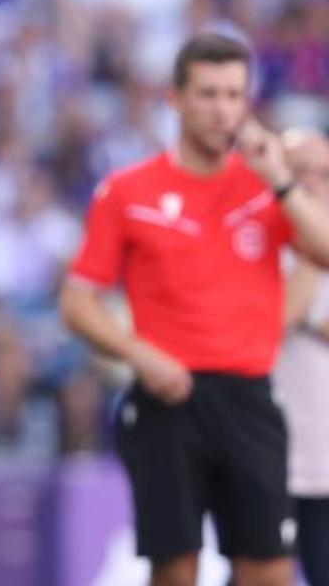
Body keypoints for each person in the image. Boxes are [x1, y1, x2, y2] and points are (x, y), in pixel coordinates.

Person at [59, 33, 329, 586]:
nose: (221, 109)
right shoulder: (128, 191)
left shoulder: (263, 189)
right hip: (168, 399)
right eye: (207, 93)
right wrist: (139, 354)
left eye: (234, 95)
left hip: (251, 398)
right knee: (175, 569)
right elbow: (77, 301)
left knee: (268, 570)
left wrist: (280, 177)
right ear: (175, 99)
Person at [274, 128, 329, 586]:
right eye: (298, 173)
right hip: (266, 452)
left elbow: (289, 312)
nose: (311, 184)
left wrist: (302, 316)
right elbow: (274, 320)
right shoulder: (256, 244)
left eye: (323, 174)